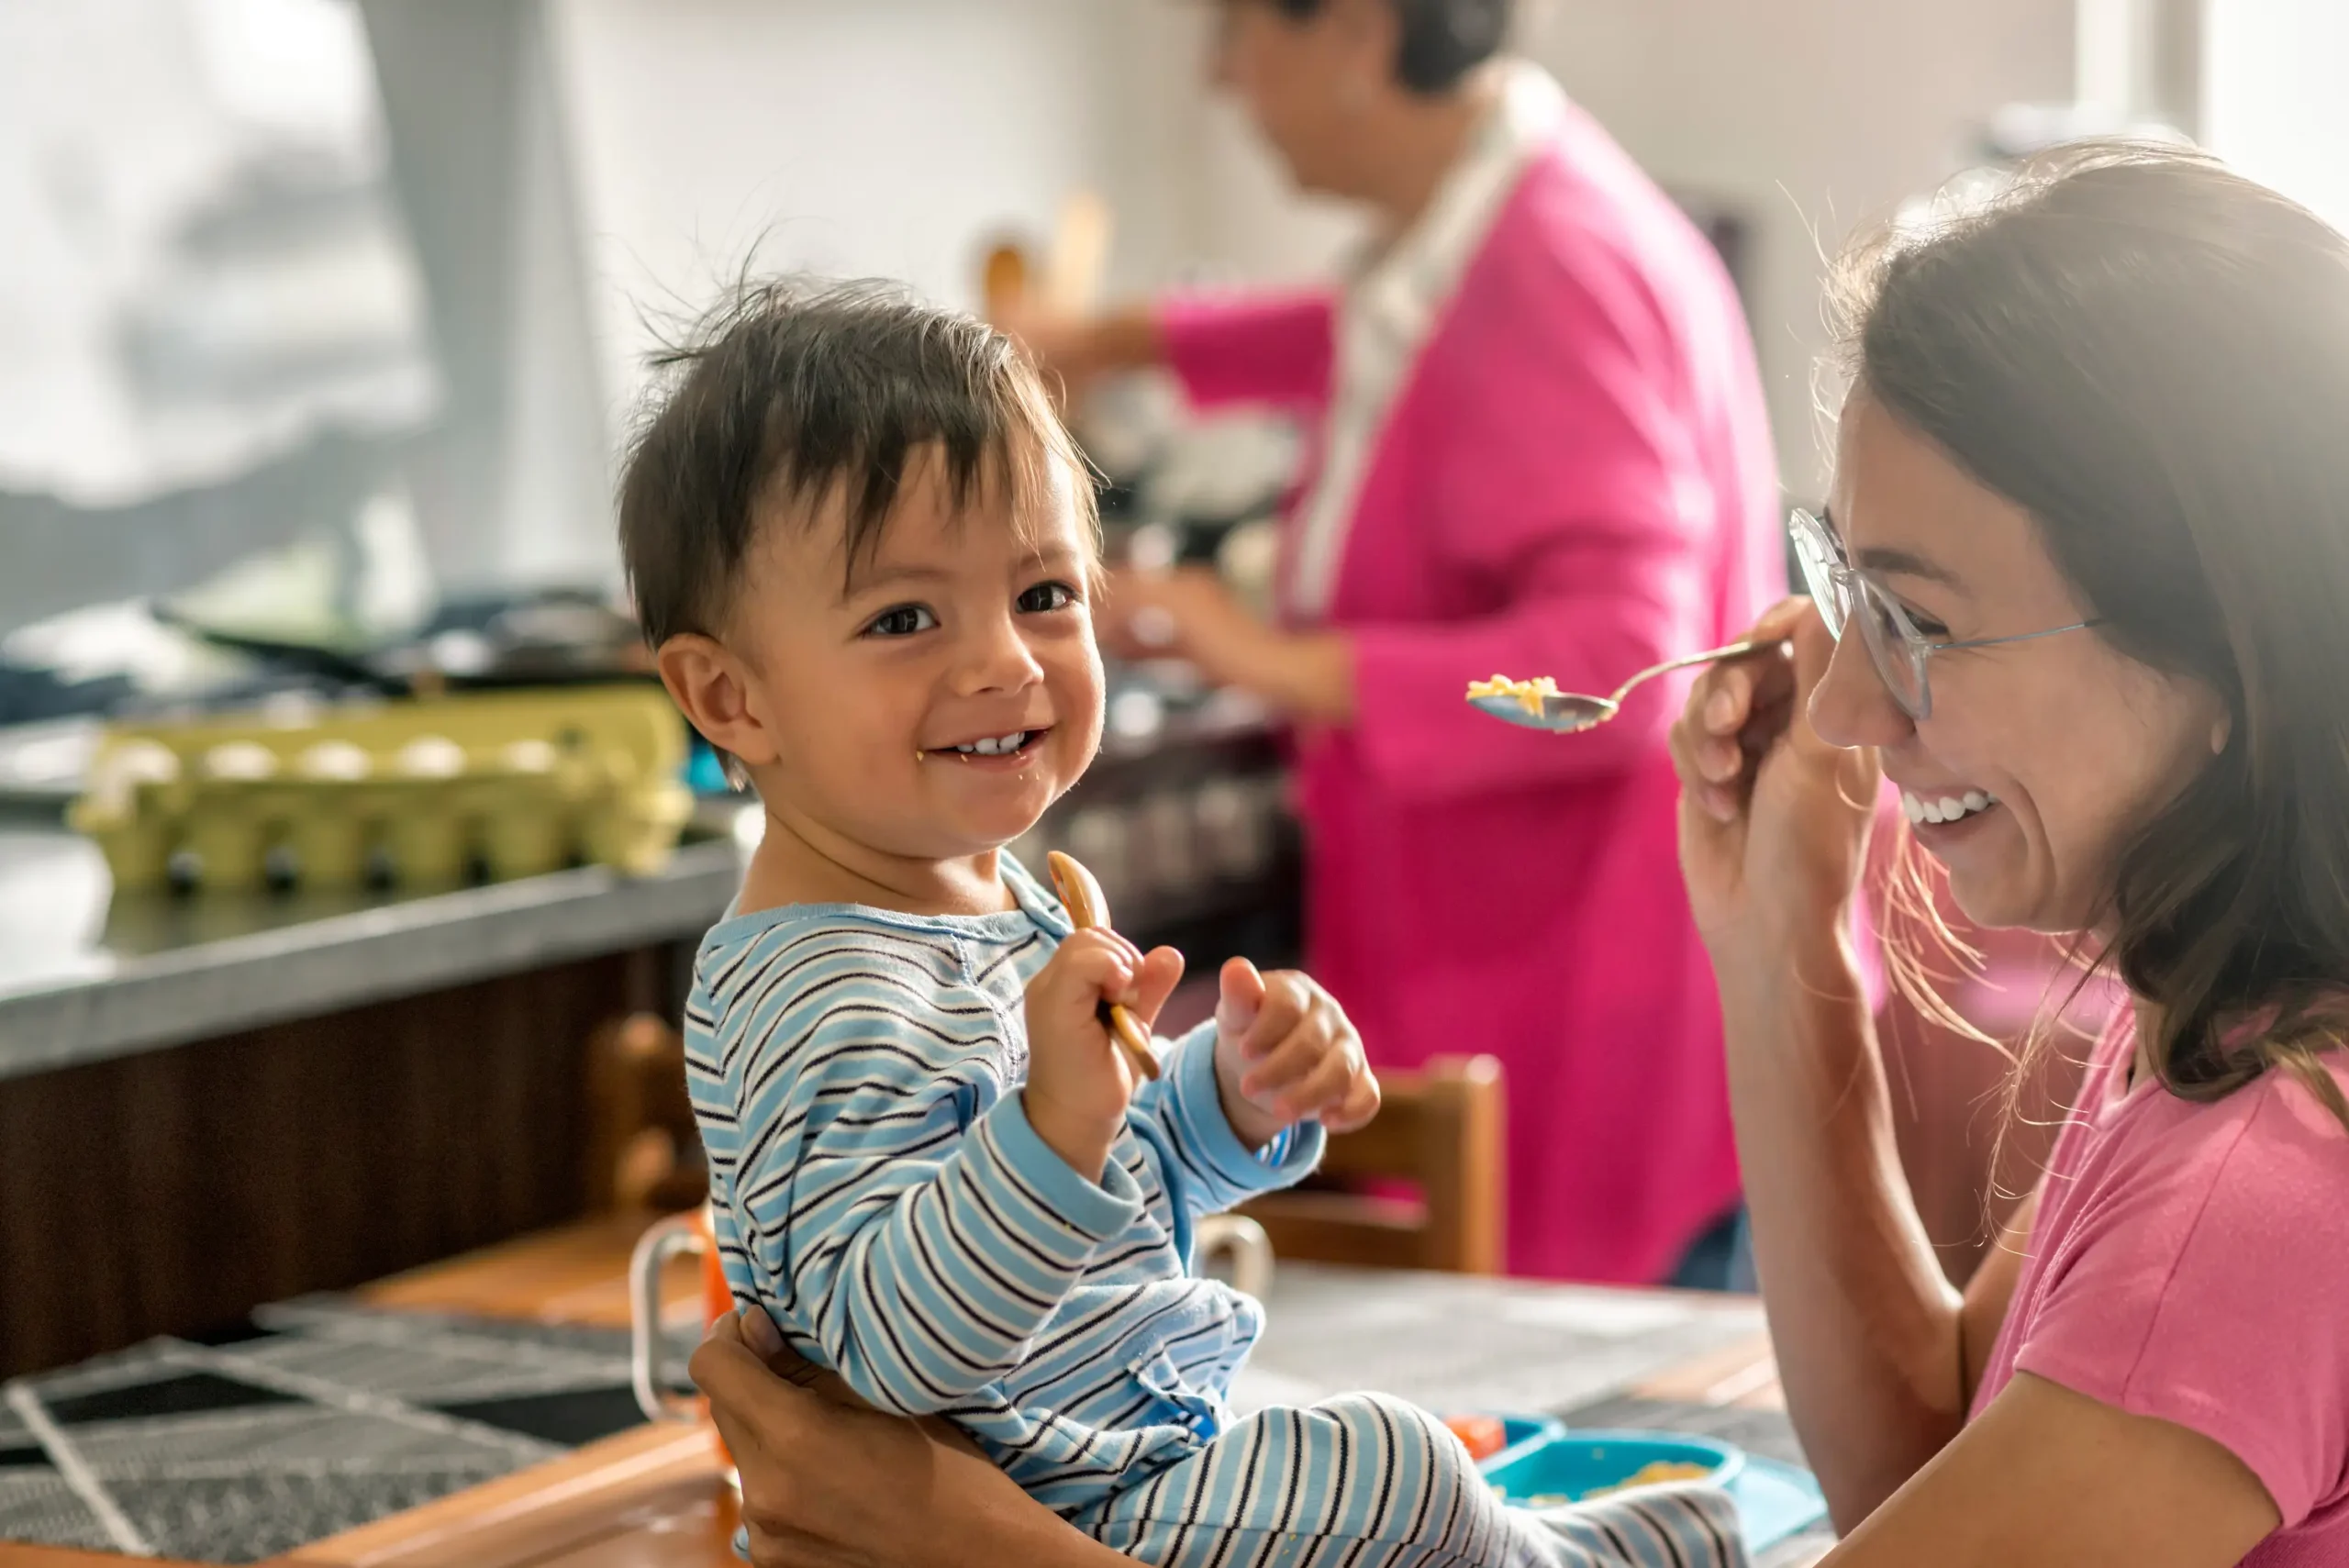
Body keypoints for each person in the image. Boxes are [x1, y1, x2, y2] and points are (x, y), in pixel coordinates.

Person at [686, 144, 2349, 1565]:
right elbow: (1922, 1464)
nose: (1843, 705)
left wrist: (976, 1543)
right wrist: (1786, 947)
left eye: (1922, 622)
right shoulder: (2203, 1052)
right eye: (1852, 599)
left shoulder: (2260, 1190)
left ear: (2227, 657)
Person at [623, 283, 1745, 1566]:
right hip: (1017, 1511)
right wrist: (1056, 1121)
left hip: (1110, 1462)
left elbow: (1111, 1197)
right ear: (728, 696)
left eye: (1045, 592)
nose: (1006, 660)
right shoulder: (820, 991)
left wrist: (1229, 1098)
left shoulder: (992, 904)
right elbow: (888, 1355)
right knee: (1388, 1469)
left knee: (1378, 1459)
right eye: (903, 618)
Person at [1014, 0, 1782, 1286]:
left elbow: (1610, 670)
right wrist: (1114, 342)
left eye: (1239, 32)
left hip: (1587, 993)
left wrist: (1263, 658)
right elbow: (1381, 344)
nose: (1219, 77)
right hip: (1549, 964)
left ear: (1359, 34)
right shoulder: (1497, 214)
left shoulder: (1557, 264)